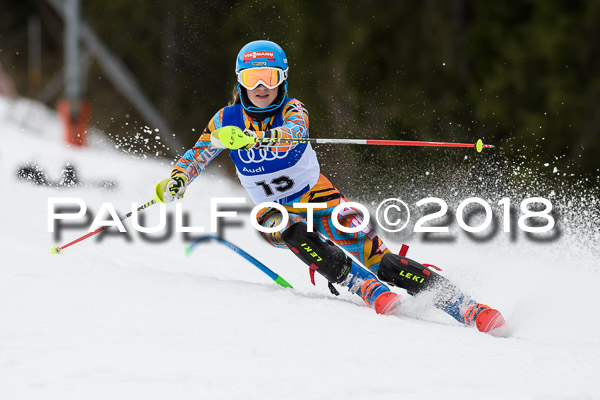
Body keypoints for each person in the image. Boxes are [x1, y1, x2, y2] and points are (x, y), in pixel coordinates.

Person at [156, 40, 505, 333]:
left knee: (381, 261)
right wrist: (178, 178)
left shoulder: (293, 109)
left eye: (269, 77)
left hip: (318, 197)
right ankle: (360, 285)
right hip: (273, 207)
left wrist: (256, 137)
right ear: (240, 81)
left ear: (283, 79)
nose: (261, 86)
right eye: (252, 78)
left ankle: (468, 307)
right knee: (281, 225)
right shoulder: (224, 120)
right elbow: (198, 153)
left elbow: (292, 136)